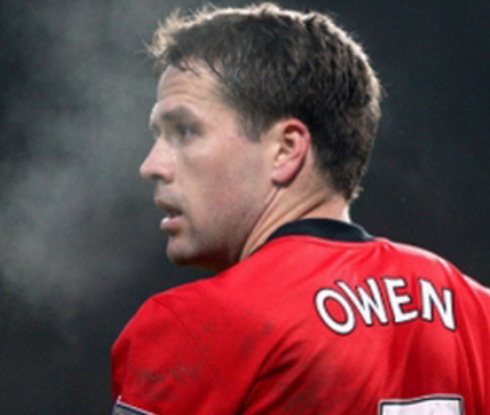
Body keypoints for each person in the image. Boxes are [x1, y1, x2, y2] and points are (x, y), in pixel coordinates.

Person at [111, 3, 490, 414]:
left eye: (185, 131)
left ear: (286, 149)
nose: (152, 165)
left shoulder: (196, 326)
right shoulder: (477, 312)